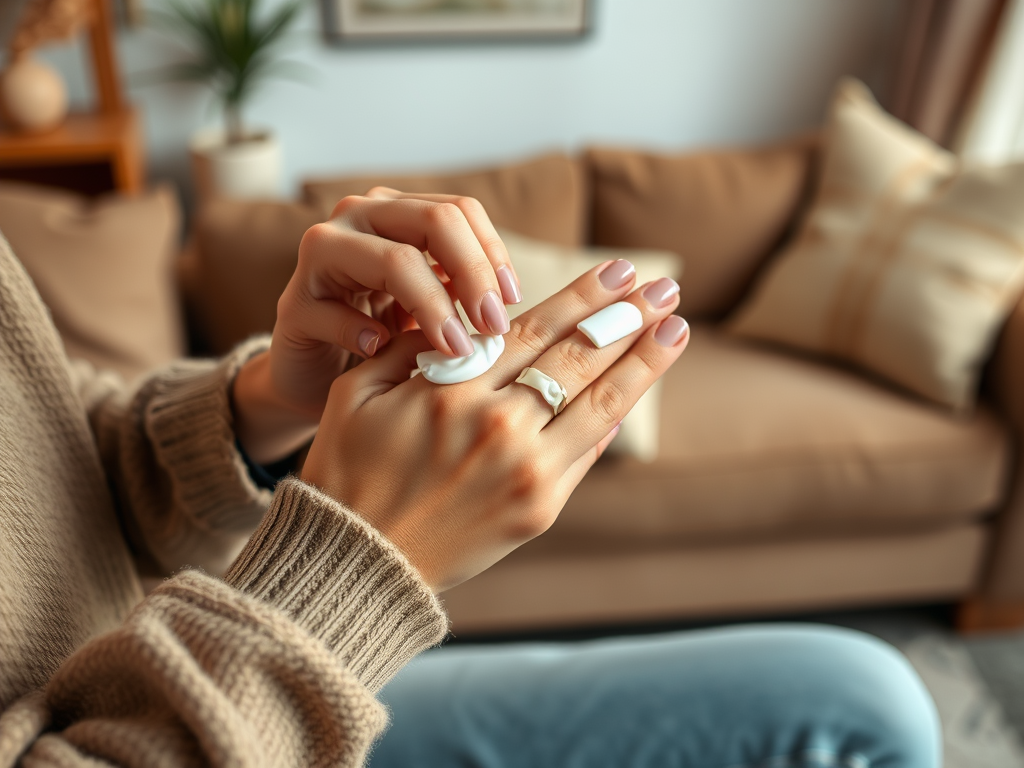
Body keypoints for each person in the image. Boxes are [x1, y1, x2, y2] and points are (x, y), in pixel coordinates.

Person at [0, 188, 940, 767]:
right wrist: (350, 567)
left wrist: (267, 404)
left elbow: (56, 457)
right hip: (196, 718)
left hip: (188, 666)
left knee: (860, 699)